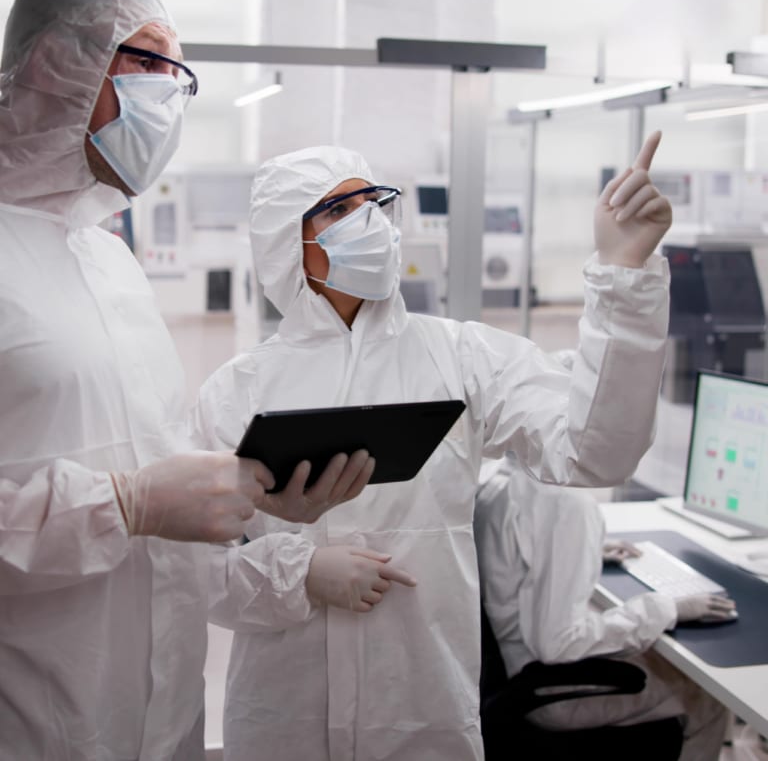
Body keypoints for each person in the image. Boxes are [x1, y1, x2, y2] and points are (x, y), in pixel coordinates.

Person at [189, 136, 674, 761]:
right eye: (337, 211)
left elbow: (594, 452)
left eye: (374, 202)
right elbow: (188, 570)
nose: (368, 221)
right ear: (288, 242)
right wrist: (298, 574)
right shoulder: (235, 391)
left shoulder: (463, 357)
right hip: (285, 720)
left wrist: (624, 278)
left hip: (422, 713)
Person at [0, 0, 375, 760]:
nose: (166, 95)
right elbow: (134, 501)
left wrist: (249, 506)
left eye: (178, 75)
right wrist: (123, 505)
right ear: (50, 65)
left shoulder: (110, 265)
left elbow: (161, 513)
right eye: (145, 62)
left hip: (161, 723)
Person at [474, 458, 733, 761]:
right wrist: (665, 608)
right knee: (708, 696)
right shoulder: (569, 503)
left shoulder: (505, 477)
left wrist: (585, 551)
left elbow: (521, 557)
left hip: (508, 676)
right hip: (549, 692)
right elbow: (558, 643)